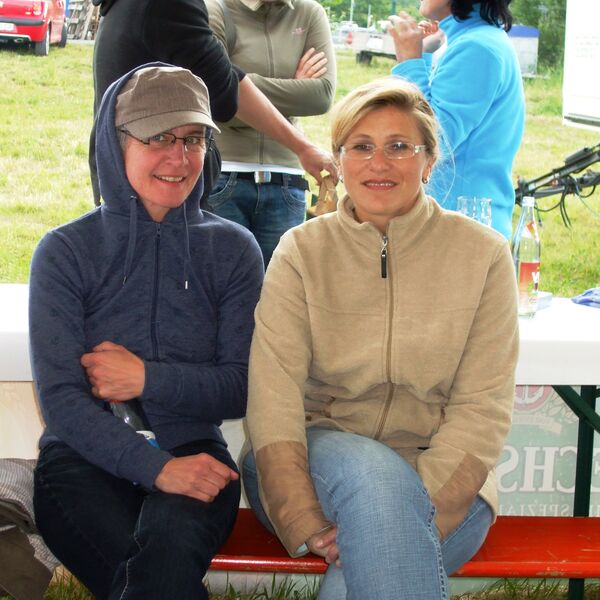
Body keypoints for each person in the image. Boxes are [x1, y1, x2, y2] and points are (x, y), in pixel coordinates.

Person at [242, 78, 519, 599]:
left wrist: (399, 515)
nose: (379, 163)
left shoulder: (483, 255)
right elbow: (274, 396)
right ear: (338, 160)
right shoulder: (300, 252)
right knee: (376, 480)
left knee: (374, 540)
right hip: (314, 463)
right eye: (361, 147)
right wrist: (303, 517)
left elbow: (482, 406)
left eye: (398, 146)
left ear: (429, 160)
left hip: (445, 481)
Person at [30, 64, 264, 600]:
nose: (179, 158)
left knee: (162, 556)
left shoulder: (233, 250)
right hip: (81, 456)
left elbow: (241, 386)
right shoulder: (65, 251)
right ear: (115, 143)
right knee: (152, 575)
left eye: (193, 138)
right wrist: (157, 469)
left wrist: (145, 378)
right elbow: (63, 401)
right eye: (158, 137)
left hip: (197, 452)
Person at [89, 0, 334, 207]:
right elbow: (224, 93)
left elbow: (218, 77)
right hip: (153, 190)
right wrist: (302, 146)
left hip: (126, 179)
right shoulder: (168, 5)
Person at [206, 0, 336, 266]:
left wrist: (239, 85)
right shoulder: (214, 9)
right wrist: (293, 89)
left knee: (283, 285)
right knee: (223, 284)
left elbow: (321, 96)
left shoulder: (309, 13)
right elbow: (214, 99)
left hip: (287, 180)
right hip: (224, 173)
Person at [388, 0, 525, 239]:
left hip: (461, 228)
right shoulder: (477, 39)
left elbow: (434, 140)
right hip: (462, 222)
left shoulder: (476, 47)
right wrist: (423, 55)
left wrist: (409, 62)